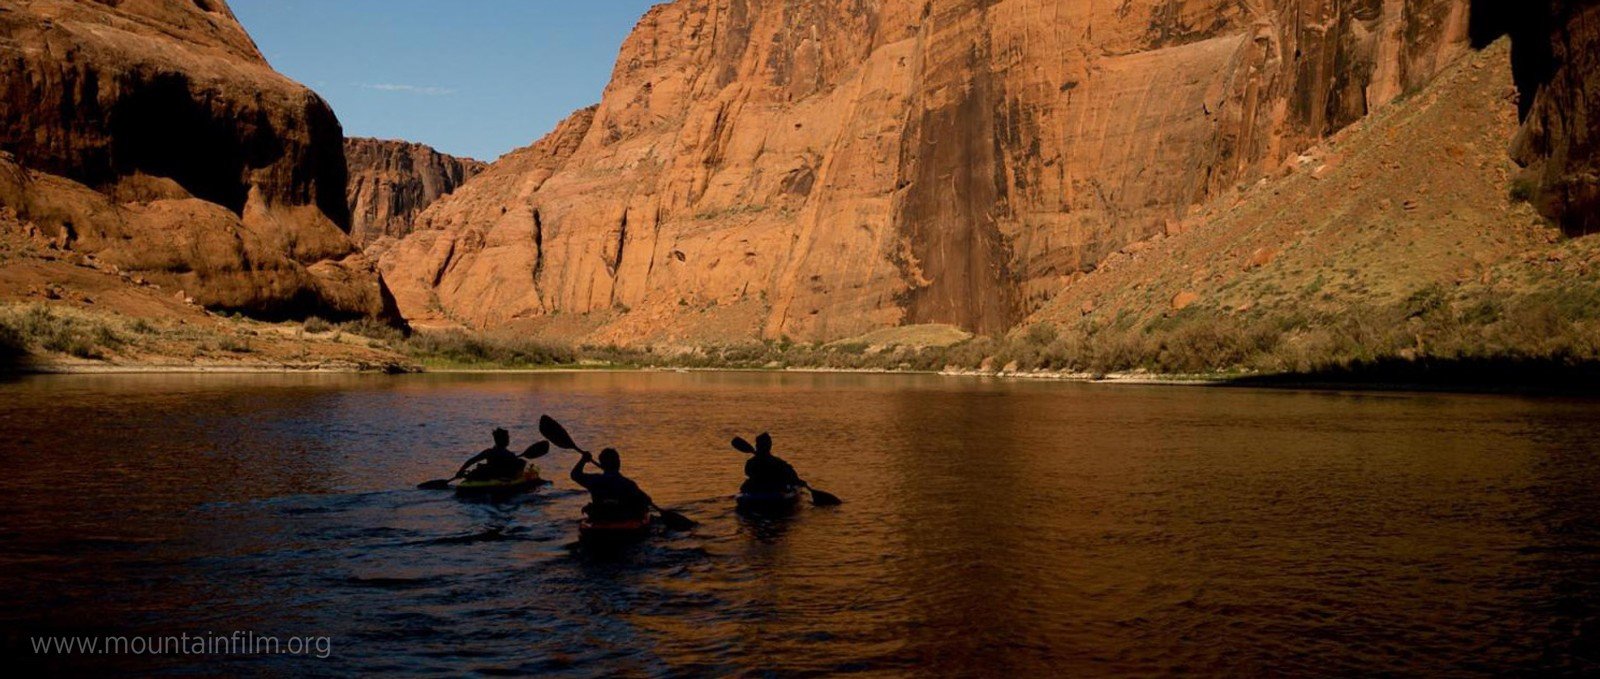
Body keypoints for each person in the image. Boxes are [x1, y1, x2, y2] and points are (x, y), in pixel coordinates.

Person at [570, 448, 652, 521]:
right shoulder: (628, 484)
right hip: (622, 520)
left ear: (602, 465)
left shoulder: (594, 480)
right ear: (619, 463)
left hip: (600, 519)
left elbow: (575, 475)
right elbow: (647, 500)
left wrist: (583, 460)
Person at [455, 428, 527, 482]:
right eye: (507, 438)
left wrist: (460, 471)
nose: (508, 440)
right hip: (499, 476)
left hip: (490, 475)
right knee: (522, 462)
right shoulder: (510, 455)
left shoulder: (489, 452)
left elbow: (471, 461)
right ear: (505, 440)